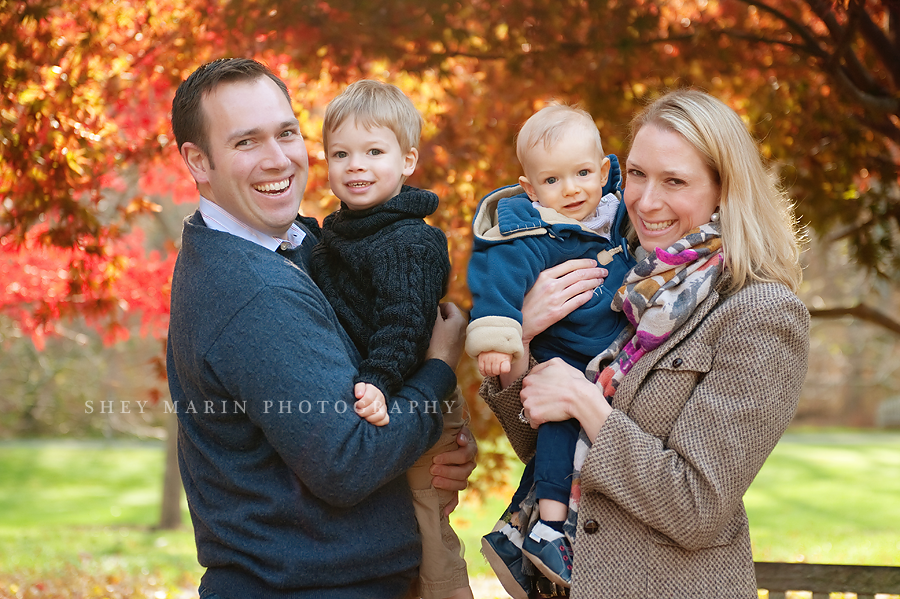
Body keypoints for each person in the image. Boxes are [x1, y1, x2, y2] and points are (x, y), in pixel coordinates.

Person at [479, 89, 810, 598]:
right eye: (636, 174)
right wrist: (520, 337)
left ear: (725, 189)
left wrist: (586, 402)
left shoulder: (760, 314)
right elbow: (542, 447)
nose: (645, 200)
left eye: (674, 181)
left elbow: (697, 506)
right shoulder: (624, 277)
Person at [166, 58, 476, 599]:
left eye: (286, 133)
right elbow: (349, 462)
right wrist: (437, 373)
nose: (278, 158)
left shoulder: (302, 245)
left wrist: (432, 441)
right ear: (198, 161)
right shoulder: (251, 290)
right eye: (246, 143)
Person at [309, 79, 473, 599]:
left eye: (373, 152)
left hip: (409, 388)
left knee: (427, 531)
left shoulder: (410, 240)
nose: (355, 165)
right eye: (341, 154)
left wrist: (378, 379)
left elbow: (403, 324)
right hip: (387, 395)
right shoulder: (339, 231)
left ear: (407, 161)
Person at [466, 104, 636, 593]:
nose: (573, 190)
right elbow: (498, 282)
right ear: (530, 189)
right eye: (553, 181)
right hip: (572, 353)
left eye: (583, 173)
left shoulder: (620, 215)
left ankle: (520, 533)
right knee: (561, 427)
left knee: (566, 428)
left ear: (604, 171)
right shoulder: (534, 233)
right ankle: (546, 529)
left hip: (601, 351)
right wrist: (506, 333)